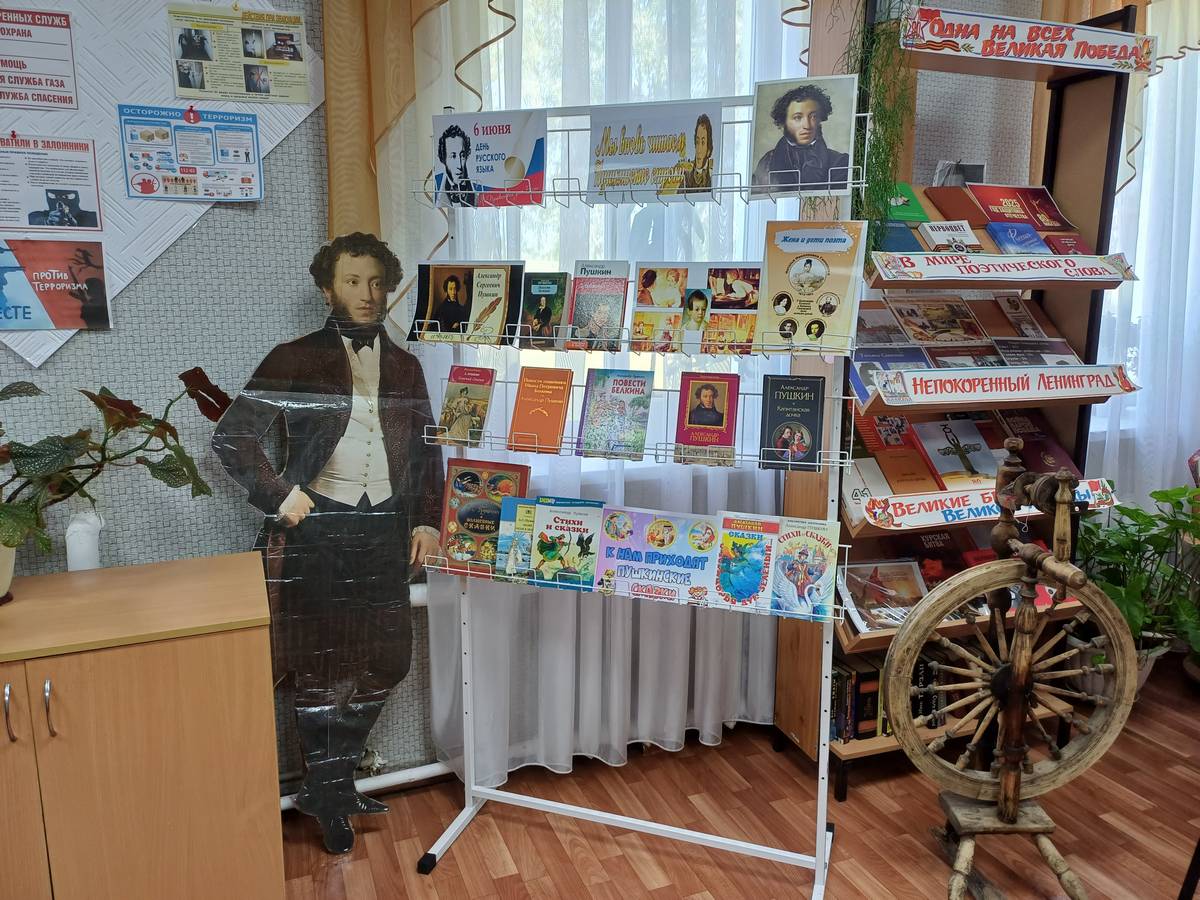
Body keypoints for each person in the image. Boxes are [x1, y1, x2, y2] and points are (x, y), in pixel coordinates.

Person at [211, 232, 443, 855]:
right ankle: (335, 798)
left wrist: (427, 521)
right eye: (352, 281)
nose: (367, 294)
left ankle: (326, 783)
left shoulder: (406, 366)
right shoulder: (293, 357)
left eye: (376, 282)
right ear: (326, 289)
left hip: (387, 529)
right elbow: (233, 438)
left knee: (389, 659)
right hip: (317, 529)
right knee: (315, 669)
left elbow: (427, 450)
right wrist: (279, 495)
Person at [753, 83, 849, 192]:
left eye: (813, 116)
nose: (807, 126)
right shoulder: (767, 162)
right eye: (797, 118)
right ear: (783, 122)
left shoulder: (839, 163)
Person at [435, 125, 478, 207]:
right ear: (443, 158)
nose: (459, 165)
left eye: (462, 156)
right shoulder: (439, 196)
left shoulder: (479, 194)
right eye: (453, 156)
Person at [682, 113, 713, 191]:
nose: (699, 150)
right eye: (697, 142)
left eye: (703, 143)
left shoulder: (713, 176)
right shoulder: (686, 175)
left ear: (708, 150)